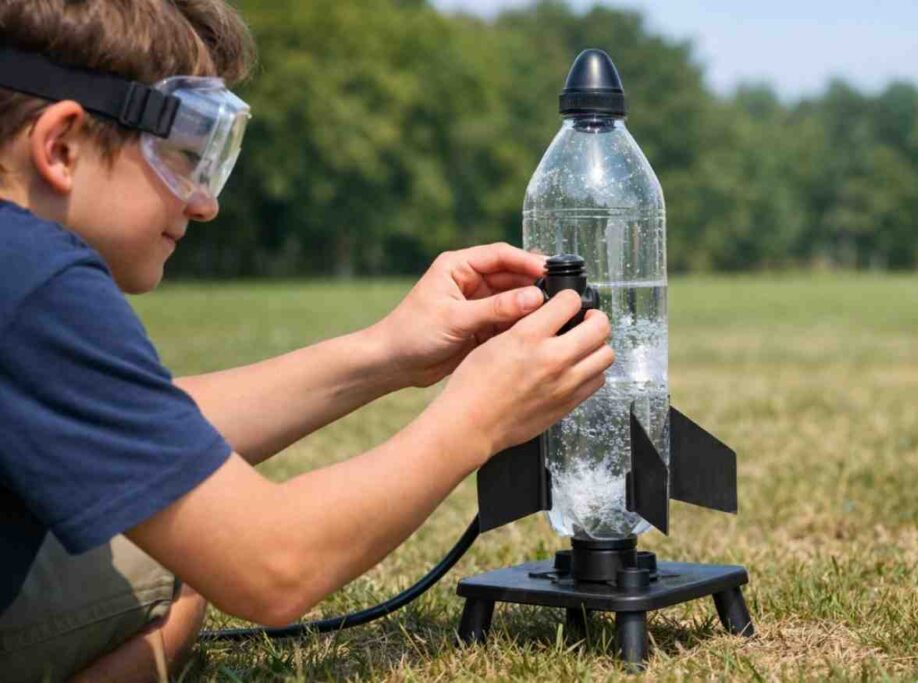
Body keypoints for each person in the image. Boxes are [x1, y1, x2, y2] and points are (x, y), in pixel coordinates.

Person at [0, 2, 613, 680]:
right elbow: (269, 564)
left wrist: (389, 351)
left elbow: (139, 429)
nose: (204, 204)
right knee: (187, 566)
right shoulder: (31, 271)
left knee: (172, 551)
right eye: (181, 156)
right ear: (59, 146)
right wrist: (480, 415)